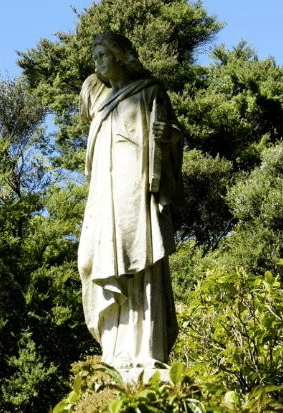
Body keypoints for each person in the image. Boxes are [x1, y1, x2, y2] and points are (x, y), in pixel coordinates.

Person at [78, 33, 183, 371]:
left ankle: (144, 349)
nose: (97, 61)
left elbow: (172, 139)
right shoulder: (97, 97)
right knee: (97, 259)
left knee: (142, 257)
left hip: (134, 188)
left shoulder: (150, 92)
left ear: (121, 56)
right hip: (103, 193)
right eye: (94, 55)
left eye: (103, 54)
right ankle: (114, 349)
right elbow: (88, 101)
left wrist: (169, 137)